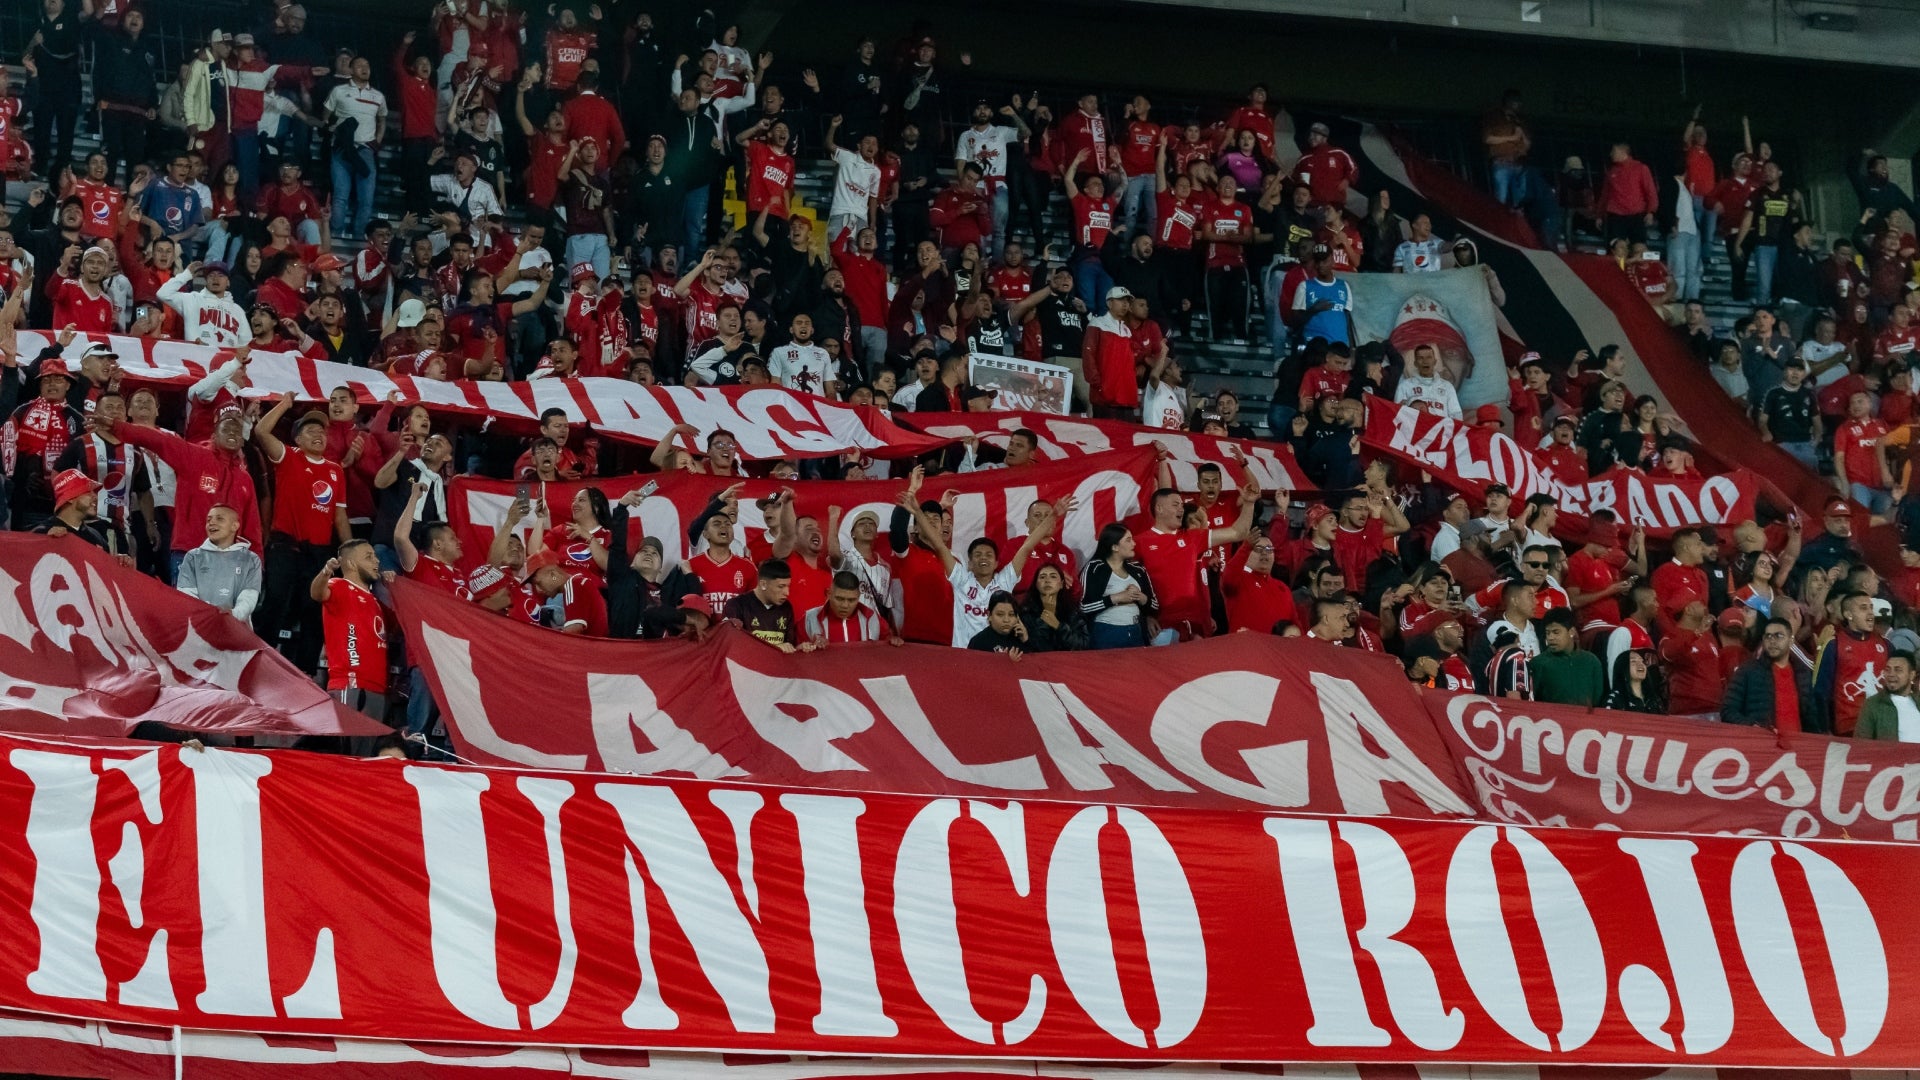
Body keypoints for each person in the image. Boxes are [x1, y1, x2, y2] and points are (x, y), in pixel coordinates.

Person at [310, 539, 391, 721]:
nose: (376, 561)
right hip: (350, 684)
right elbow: (316, 593)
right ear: (351, 563)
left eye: (375, 556)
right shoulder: (339, 585)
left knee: (366, 749)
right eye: (369, 557)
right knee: (348, 747)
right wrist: (326, 572)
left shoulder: (375, 601)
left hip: (378, 687)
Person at [1722, 616, 1822, 732]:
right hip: (1763, 746)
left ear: (1791, 641)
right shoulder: (1748, 670)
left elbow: (1811, 717)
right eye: (1768, 636)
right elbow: (1728, 710)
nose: (1772, 641)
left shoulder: (1802, 674)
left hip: (1797, 746)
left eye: (1779, 636)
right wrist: (1752, 727)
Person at [174, 504, 262, 625]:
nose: (212, 523)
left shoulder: (251, 559)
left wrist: (234, 614)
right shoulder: (193, 557)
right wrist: (208, 614)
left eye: (219, 519)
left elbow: (249, 596)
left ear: (235, 526)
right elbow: (186, 593)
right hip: (201, 629)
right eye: (208, 520)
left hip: (237, 632)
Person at [1082, 522, 1163, 649]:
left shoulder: (1138, 569)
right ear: (1115, 547)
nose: (1134, 544)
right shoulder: (1095, 568)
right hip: (1106, 632)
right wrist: (1117, 598)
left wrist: (1141, 597)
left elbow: (1155, 605)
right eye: (1128, 540)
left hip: (1136, 631)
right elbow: (1084, 607)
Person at [722, 558, 804, 651]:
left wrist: (798, 649)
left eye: (788, 586)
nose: (787, 593)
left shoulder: (786, 607)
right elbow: (732, 648)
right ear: (763, 584)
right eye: (781, 586)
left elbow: (789, 646)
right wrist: (774, 648)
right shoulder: (736, 605)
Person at [1530, 608, 1605, 706]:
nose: (1550, 637)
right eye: (1548, 633)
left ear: (1572, 632)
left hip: (1586, 720)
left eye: (1556, 632)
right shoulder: (1538, 663)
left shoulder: (1591, 661)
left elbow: (1597, 699)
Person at [1017, 564, 1087, 652]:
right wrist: (1046, 618)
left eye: (1053, 576)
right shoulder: (1026, 612)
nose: (1047, 580)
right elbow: (1034, 647)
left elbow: (1083, 644)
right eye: (1042, 577)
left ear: (1061, 584)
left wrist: (1058, 625)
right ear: (1036, 584)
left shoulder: (1072, 611)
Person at [1855, 651, 1920, 741]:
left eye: (1898, 670)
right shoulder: (1873, 705)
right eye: (1887, 669)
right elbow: (1861, 745)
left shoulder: (1918, 702)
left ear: (1911, 675)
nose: (1891, 674)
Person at [967, 592, 1028, 658]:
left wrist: (1026, 640)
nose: (1006, 620)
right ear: (989, 615)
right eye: (1000, 614)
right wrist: (998, 662)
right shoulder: (978, 642)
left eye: (1011, 615)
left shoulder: (1021, 638)